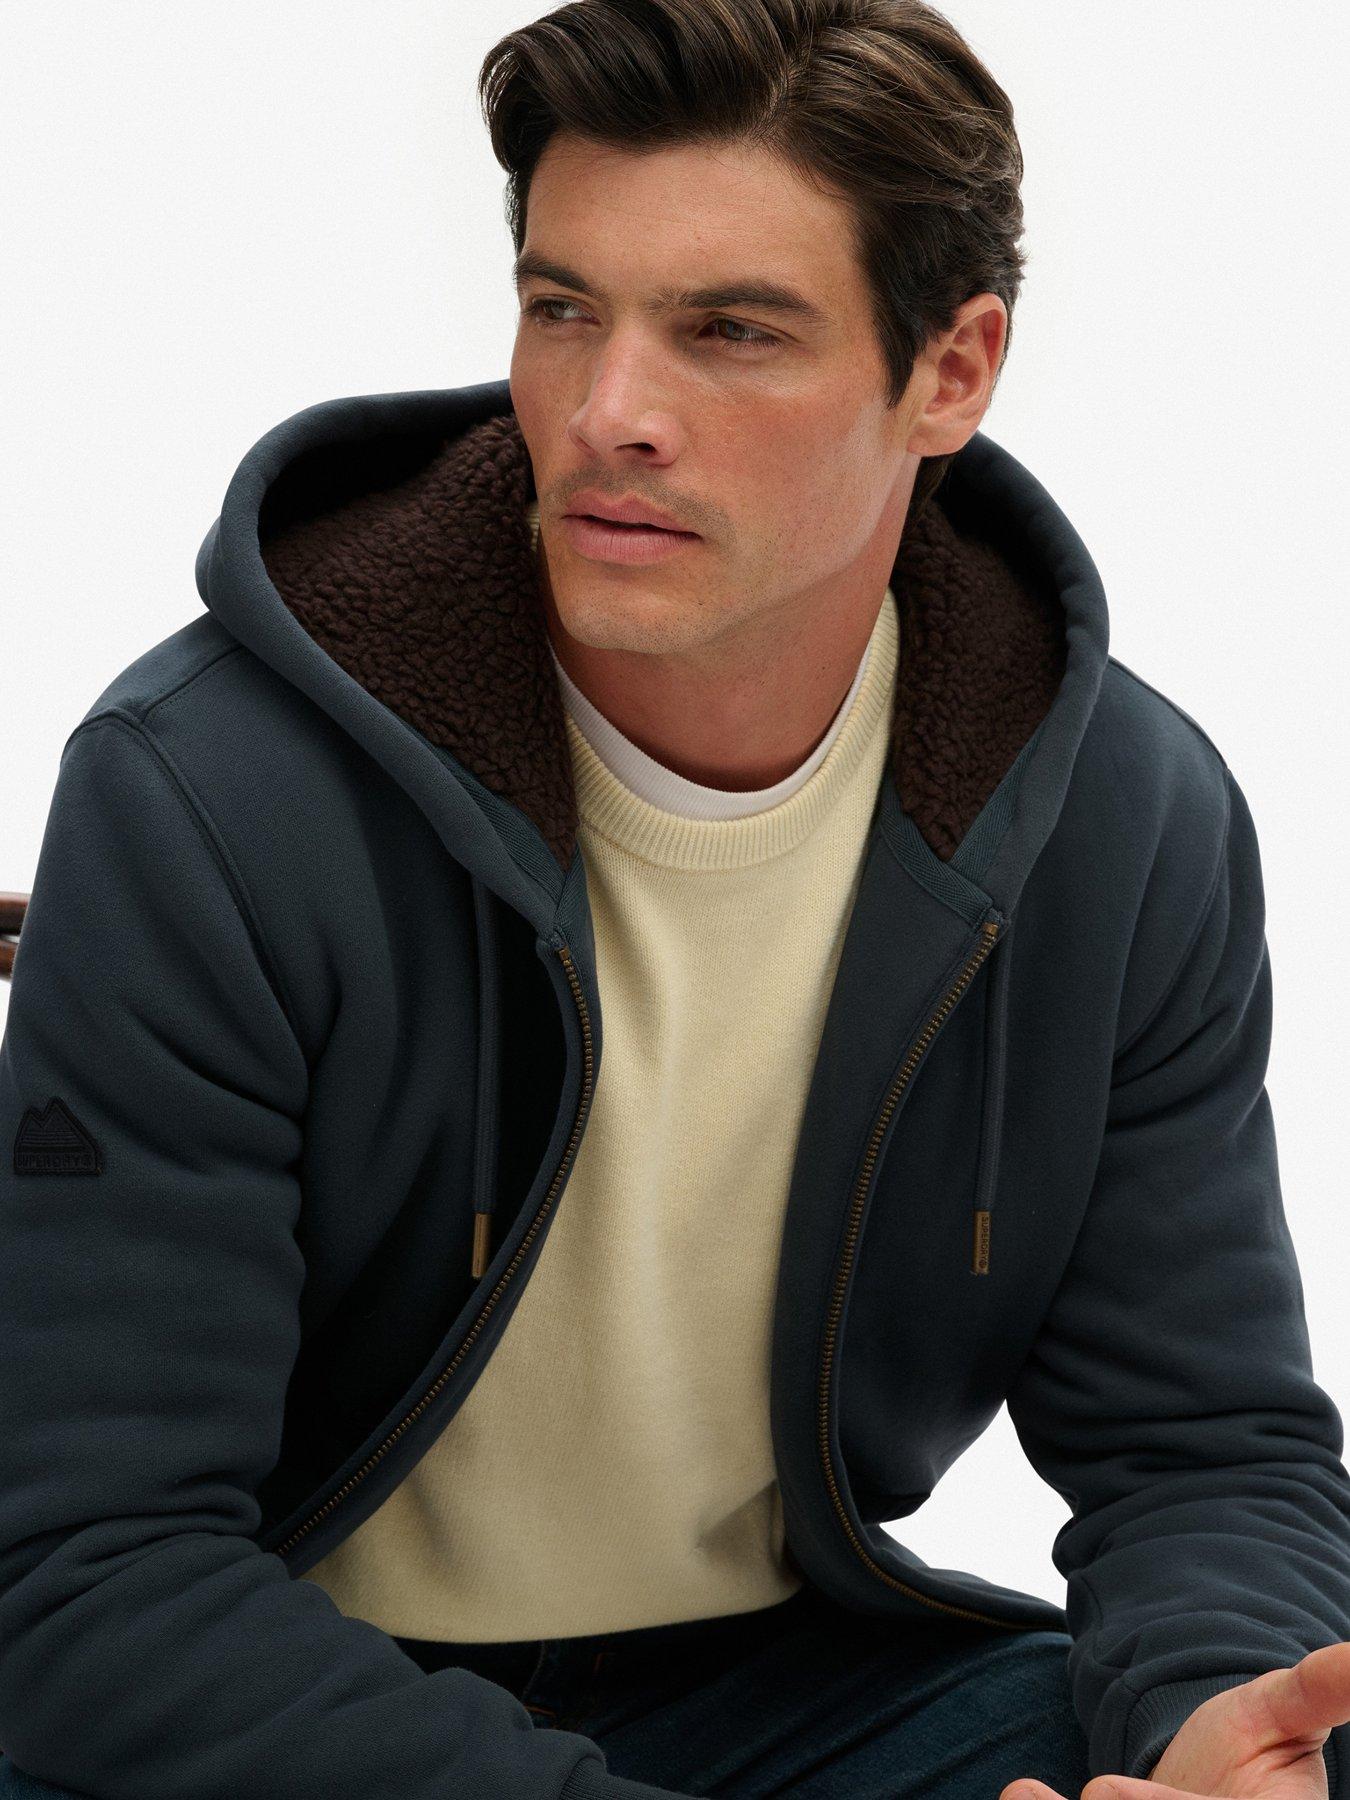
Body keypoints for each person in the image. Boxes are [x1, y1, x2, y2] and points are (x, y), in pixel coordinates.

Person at [3, 1, 1350, 1796]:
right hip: (264, 1698)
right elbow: (82, 1572)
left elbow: (1201, 1449)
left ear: (950, 370)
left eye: (730, 331)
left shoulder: (1120, 822)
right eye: (564, 311)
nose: (607, 414)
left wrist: (1219, 1733)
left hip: (782, 1692)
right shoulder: (211, 797)